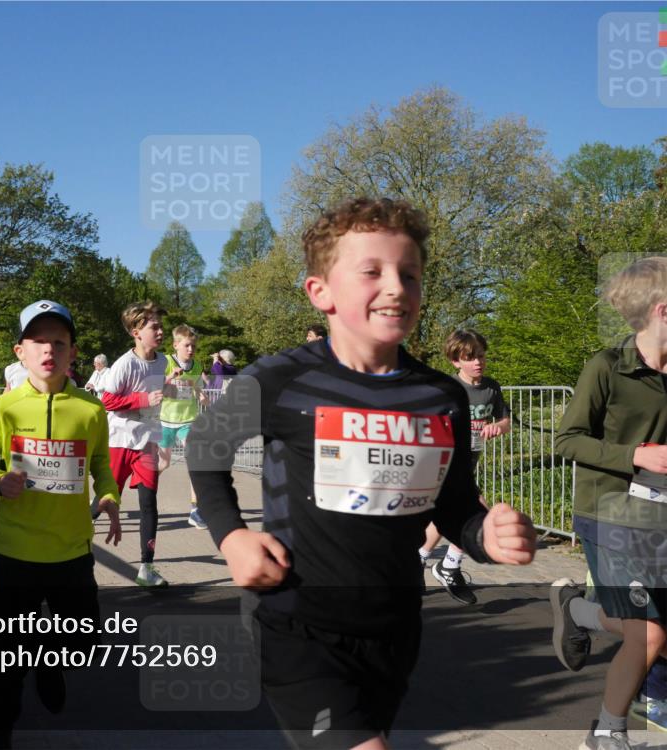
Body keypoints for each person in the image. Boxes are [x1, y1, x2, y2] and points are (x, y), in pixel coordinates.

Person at [187, 197, 536, 750]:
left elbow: (454, 506)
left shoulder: (441, 396)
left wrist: (485, 536)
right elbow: (205, 446)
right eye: (371, 271)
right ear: (319, 292)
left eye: (410, 274)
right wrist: (232, 537)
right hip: (295, 620)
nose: (396, 287)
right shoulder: (279, 379)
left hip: (394, 626)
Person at [0, 299, 121, 750]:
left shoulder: (90, 410)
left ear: (73, 351)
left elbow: (100, 464)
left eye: (59, 341)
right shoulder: (4, 408)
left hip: (71, 552)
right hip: (14, 552)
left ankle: (49, 657)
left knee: (84, 644)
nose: (48, 350)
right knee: (3, 658)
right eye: (38, 341)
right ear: (21, 351)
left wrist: (109, 494)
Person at [549, 256, 667, 748]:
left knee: (651, 626)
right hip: (610, 509)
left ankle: (576, 611)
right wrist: (635, 453)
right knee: (650, 633)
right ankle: (606, 733)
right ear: (662, 310)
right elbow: (566, 440)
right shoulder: (607, 367)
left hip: (658, 514)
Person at [419, 329, 510, 605]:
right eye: (470, 358)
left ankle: (420, 560)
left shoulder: (491, 388)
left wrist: (497, 426)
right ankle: (448, 566)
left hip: (469, 463)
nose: (477, 362)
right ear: (456, 361)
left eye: (481, 356)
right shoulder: (447, 388)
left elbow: (506, 421)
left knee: (445, 516)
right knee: (476, 514)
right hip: (443, 462)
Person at [101, 301, 169, 587]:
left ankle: (146, 567)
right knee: (105, 500)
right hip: (120, 441)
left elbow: (156, 395)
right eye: (154, 326)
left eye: (160, 325)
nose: (161, 331)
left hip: (147, 442)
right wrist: (142, 400)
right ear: (136, 332)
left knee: (149, 504)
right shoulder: (124, 364)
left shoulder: (163, 361)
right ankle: (71, 546)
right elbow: (107, 400)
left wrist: (170, 389)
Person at [159, 324, 209, 530]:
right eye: (187, 345)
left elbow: (195, 386)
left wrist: (201, 395)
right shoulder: (166, 362)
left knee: (196, 461)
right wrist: (169, 378)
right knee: (162, 464)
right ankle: (144, 485)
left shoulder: (197, 366)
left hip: (187, 421)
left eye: (194, 346)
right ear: (176, 345)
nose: (191, 349)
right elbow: (153, 386)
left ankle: (196, 510)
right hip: (164, 421)